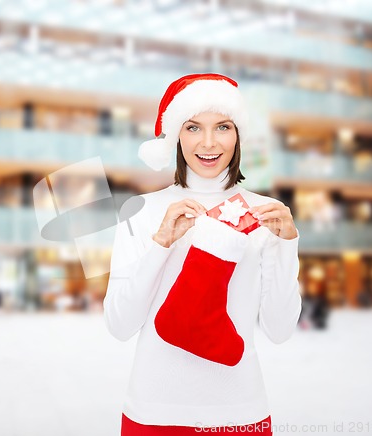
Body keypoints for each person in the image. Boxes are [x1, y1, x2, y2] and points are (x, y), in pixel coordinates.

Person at [104, 73, 302, 435]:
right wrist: (161, 244)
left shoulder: (266, 213)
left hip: (241, 412)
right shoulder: (141, 209)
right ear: (176, 134)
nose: (209, 142)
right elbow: (119, 325)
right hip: (154, 410)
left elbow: (280, 329)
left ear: (238, 133)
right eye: (193, 127)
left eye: (223, 126)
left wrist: (288, 246)